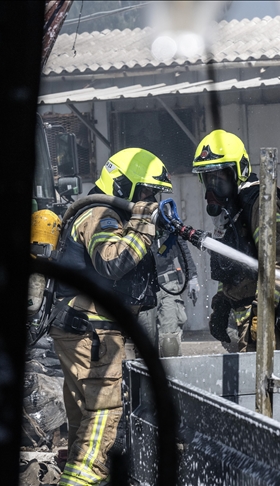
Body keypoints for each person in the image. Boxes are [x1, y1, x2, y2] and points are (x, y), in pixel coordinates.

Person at [49, 148, 172, 485]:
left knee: (85, 420)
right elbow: (112, 262)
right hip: (92, 334)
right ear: (121, 184)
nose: (150, 200)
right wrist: (144, 225)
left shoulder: (103, 213)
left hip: (82, 331)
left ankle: (77, 478)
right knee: (104, 414)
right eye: (144, 192)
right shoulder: (101, 215)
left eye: (153, 194)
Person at [192, 129, 280, 352]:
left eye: (219, 178)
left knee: (265, 375)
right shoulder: (231, 212)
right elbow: (229, 265)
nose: (213, 187)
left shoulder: (260, 203)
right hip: (242, 316)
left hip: (267, 317)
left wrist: (262, 315)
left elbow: (275, 266)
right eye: (208, 178)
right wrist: (221, 304)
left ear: (240, 171)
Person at [136, 231, 199, 358]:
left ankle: (172, 370)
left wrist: (192, 276)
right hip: (143, 288)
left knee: (169, 343)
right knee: (146, 345)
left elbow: (182, 246)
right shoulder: (133, 222)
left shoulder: (166, 222)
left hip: (168, 283)